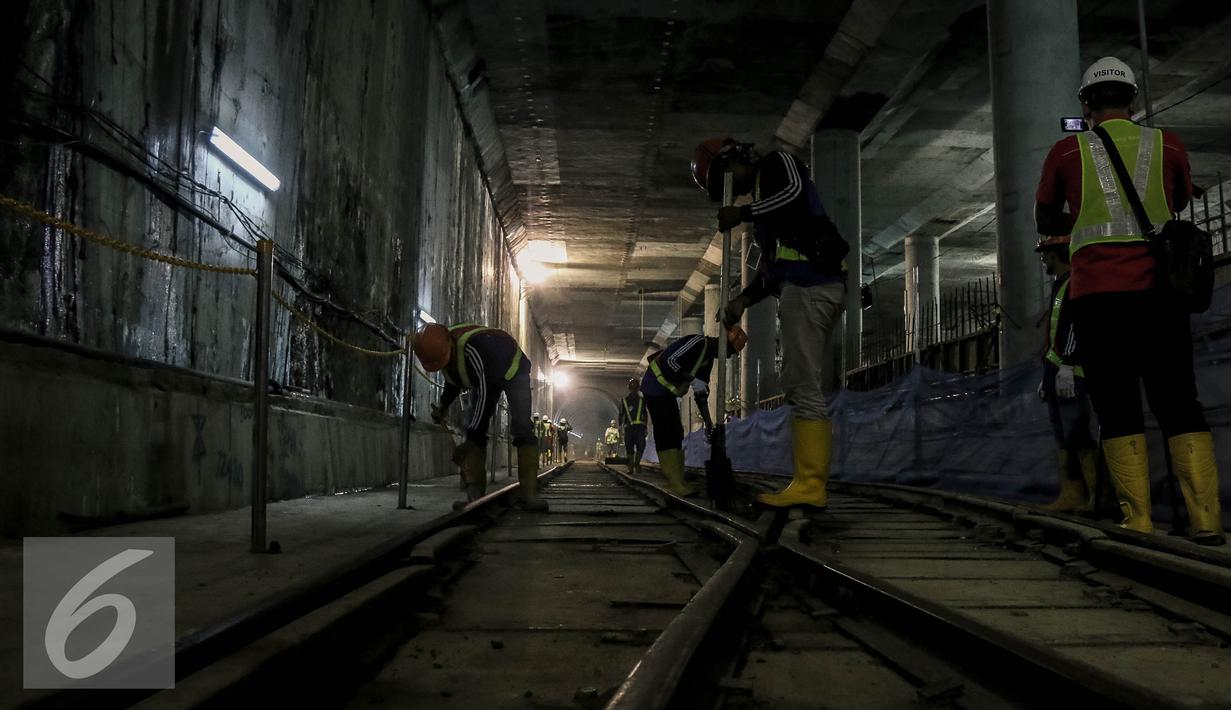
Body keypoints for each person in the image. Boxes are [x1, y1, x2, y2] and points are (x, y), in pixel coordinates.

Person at [1035, 56, 1223, 544]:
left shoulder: (1065, 153)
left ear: (1086, 103)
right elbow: (1179, 201)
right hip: (1160, 297)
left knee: (1117, 407)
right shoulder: (1167, 144)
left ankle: (1136, 521)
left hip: (1097, 297)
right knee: (1180, 403)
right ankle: (1206, 522)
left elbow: (1046, 219)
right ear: (1133, 100)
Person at [691, 137, 847, 510]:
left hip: (812, 287)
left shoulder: (778, 165)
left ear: (735, 160)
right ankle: (807, 482)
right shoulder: (767, 216)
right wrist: (742, 300)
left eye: (725, 177)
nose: (732, 190)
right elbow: (770, 272)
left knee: (802, 383)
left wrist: (743, 215)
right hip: (800, 288)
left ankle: (811, 486)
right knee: (798, 381)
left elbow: (794, 192)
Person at [412, 323, 547, 512]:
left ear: (449, 345)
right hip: (486, 375)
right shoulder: (444, 352)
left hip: (513, 369)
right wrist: (443, 405)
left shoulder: (473, 349)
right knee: (475, 428)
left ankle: (529, 496)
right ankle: (475, 498)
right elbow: (454, 380)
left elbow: (485, 391)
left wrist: (470, 440)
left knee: (522, 427)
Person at [641, 327, 747, 495]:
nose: (728, 356)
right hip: (654, 385)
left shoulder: (707, 360)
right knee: (666, 432)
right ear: (722, 343)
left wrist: (709, 423)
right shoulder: (696, 342)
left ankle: (677, 480)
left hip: (667, 392)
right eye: (730, 351)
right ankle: (675, 483)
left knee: (676, 432)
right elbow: (671, 361)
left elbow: (701, 394)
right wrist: (691, 378)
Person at [1035, 235, 1099, 512]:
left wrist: (1068, 365)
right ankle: (1072, 495)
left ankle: (1096, 498)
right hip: (1057, 370)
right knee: (1063, 436)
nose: (1043, 259)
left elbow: (1077, 326)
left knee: (1078, 435)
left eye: (1045, 253)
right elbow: (1056, 331)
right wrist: (1048, 374)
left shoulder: (1076, 281)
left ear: (1055, 254)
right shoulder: (1060, 285)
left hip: (1072, 372)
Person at [620, 377, 648, 473]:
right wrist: (620, 427)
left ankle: (636, 463)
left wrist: (645, 427)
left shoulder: (642, 400)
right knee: (629, 447)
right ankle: (631, 467)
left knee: (641, 446)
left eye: (635, 389)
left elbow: (645, 414)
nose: (634, 390)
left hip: (639, 427)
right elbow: (621, 414)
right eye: (633, 389)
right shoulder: (624, 401)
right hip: (629, 428)